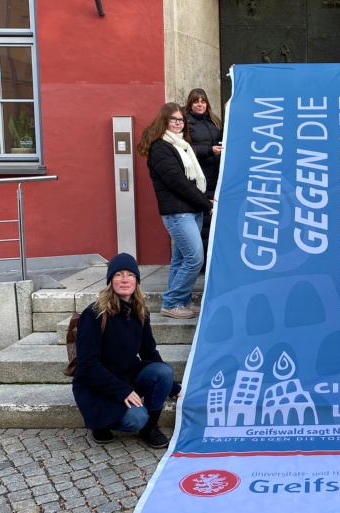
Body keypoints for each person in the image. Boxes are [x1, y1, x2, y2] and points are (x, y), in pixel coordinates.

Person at [72, 253, 182, 449]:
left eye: (130, 275)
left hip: (125, 376)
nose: (125, 279)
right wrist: (122, 390)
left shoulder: (140, 312)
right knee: (136, 419)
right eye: (118, 275)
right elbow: (88, 364)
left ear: (137, 280)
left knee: (163, 370)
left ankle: (150, 427)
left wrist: (173, 387)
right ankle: (101, 423)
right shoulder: (95, 314)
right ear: (110, 281)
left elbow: (149, 353)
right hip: (96, 386)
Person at [138, 102, 213, 319]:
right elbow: (177, 182)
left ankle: (182, 301)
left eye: (181, 119)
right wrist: (206, 203)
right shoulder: (161, 147)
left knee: (180, 260)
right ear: (164, 121)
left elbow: (190, 180)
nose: (179, 123)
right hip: (178, 213)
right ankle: (171, 302)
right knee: (195, 258)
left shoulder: (182, 145)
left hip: (190, 210)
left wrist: (205, 198)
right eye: (174, 119)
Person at [184, 89, 223, 273]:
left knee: (215, 221)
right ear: (190, 104)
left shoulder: (214, 120)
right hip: (200, 179)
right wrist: (209, 150)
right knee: (203, 222)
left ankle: (213, 261)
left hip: (218, 178)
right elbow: (186, 148)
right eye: (196, 101)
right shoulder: (185, 123)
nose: (200, 105)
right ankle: (202, 263)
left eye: (203, 101)